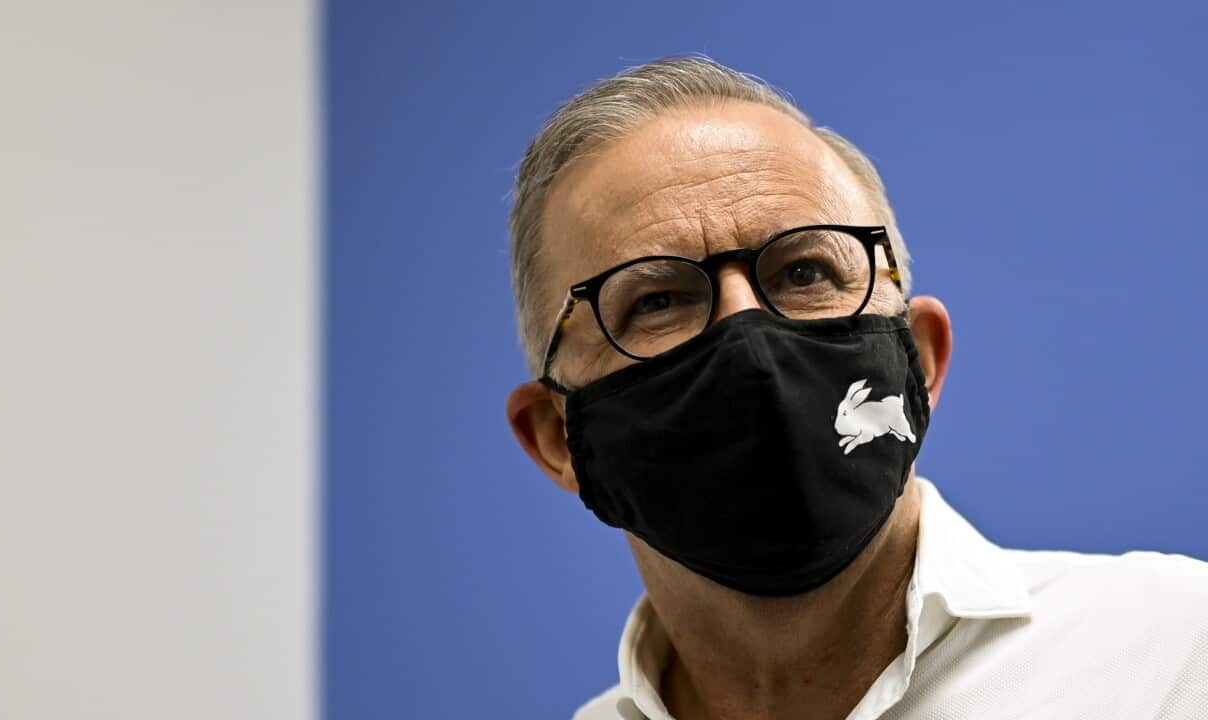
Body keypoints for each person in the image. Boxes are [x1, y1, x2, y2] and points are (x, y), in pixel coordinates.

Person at [503, 56, 1208, 720]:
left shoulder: (1175, 652)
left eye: (805, 272)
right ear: (557, 437)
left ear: (922, 360)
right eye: (656, 301)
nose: (747, 333)